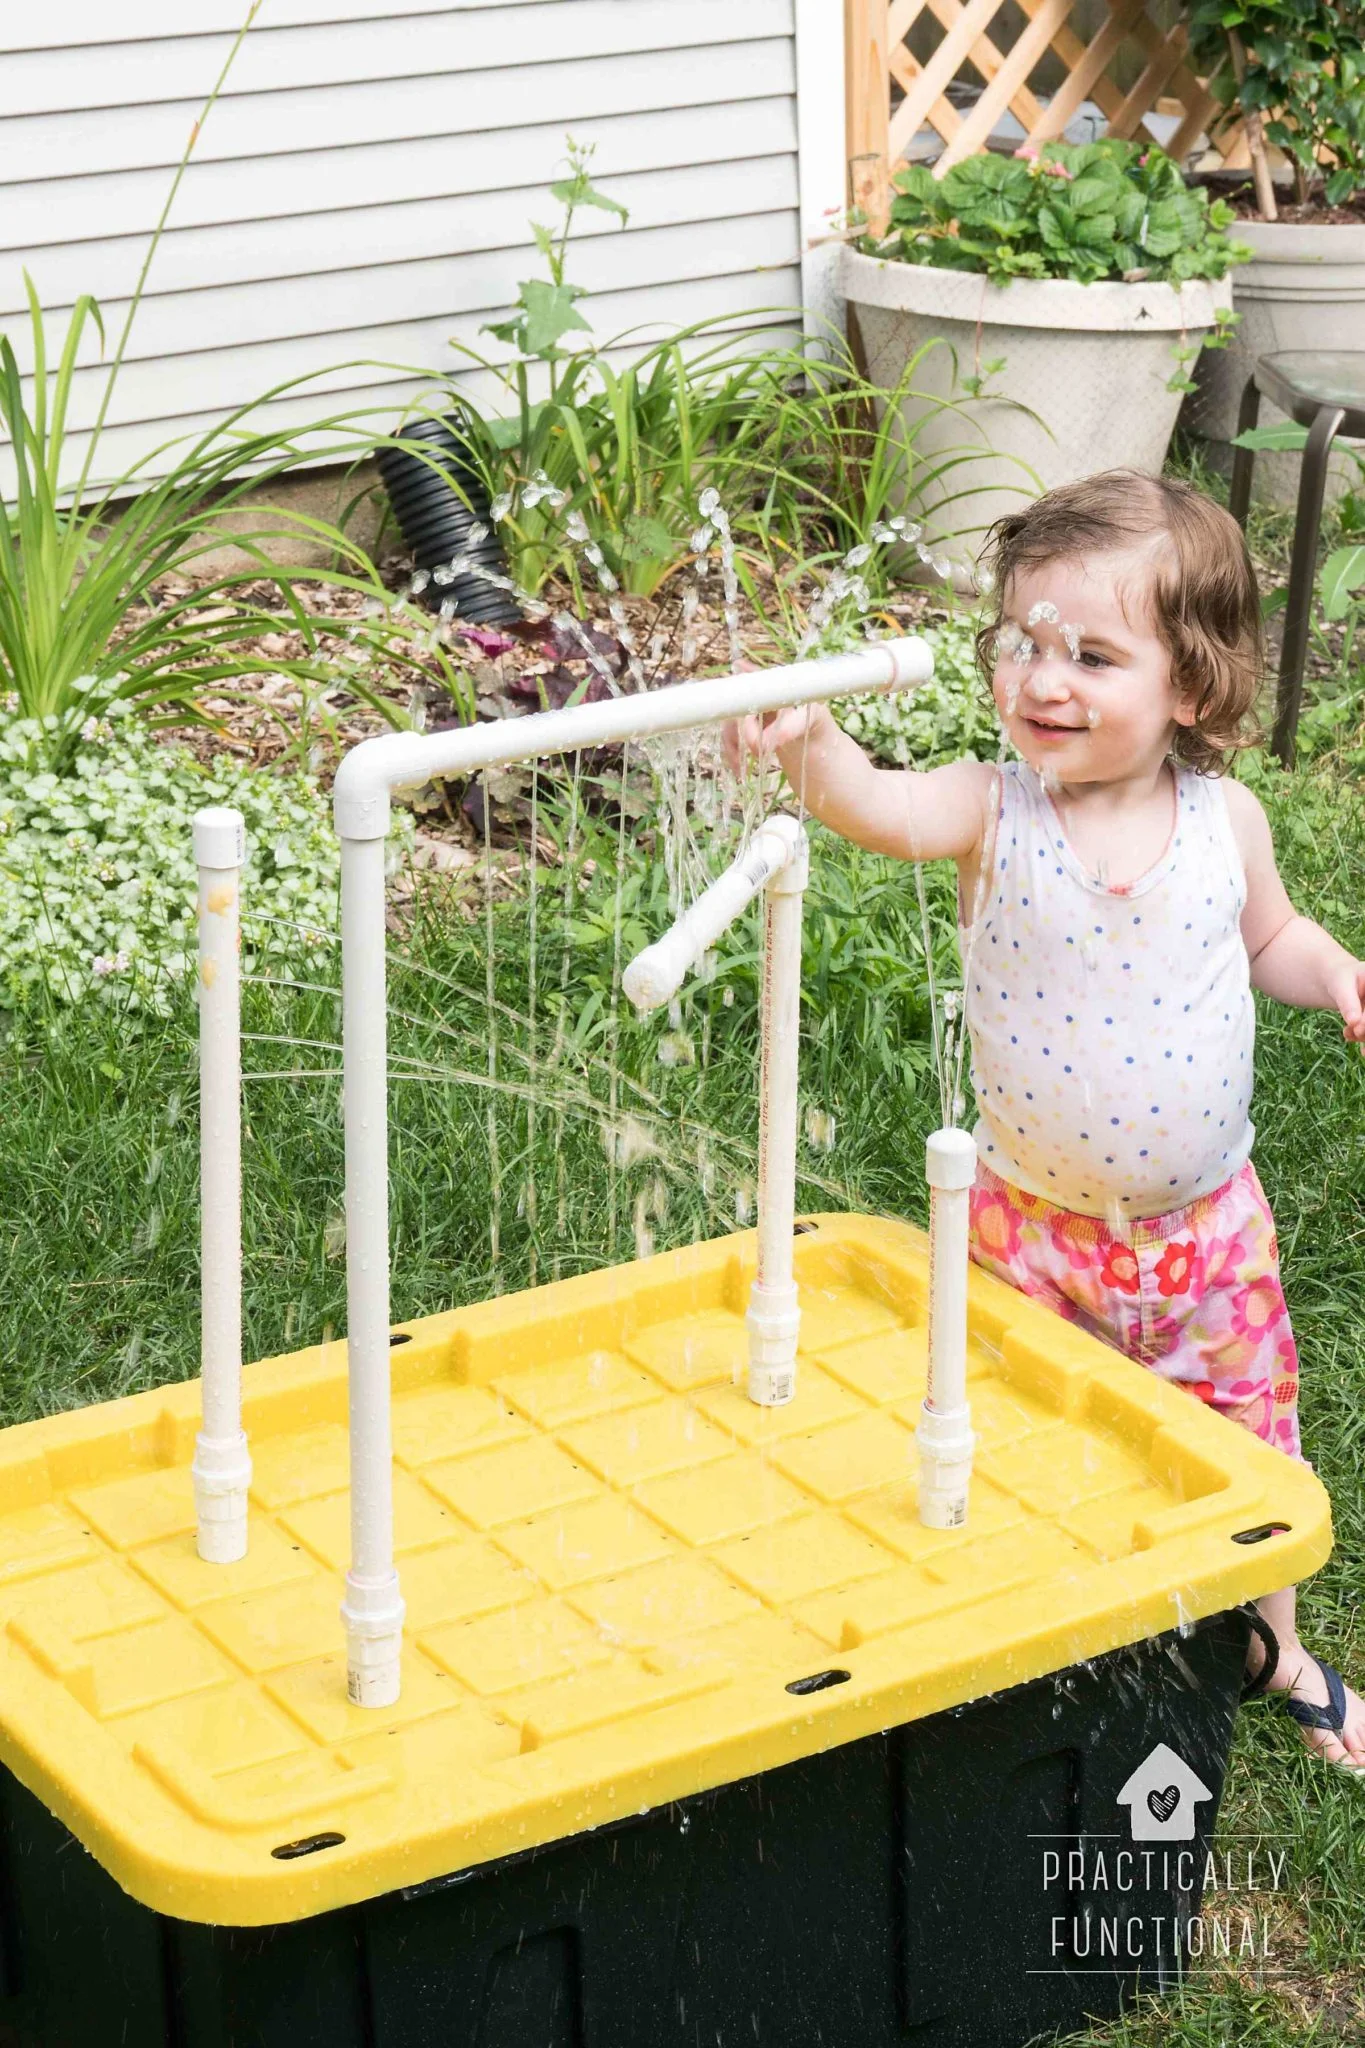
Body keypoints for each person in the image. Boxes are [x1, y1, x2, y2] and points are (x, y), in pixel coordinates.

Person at [723, 469, 1365, 1771]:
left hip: (1208, 1237)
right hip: (1031, 1233)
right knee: (1017, 1443)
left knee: (1248, 1444)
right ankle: (1043, 1655)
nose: (1042, 680)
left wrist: (1335, 973)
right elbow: (876, 806)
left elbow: (1273, 936)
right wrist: (810, 748)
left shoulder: (1222, 821)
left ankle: (1275, 1653)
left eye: (1090, 654)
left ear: (1190, 687)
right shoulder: (987, 808)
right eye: (1021, 644)